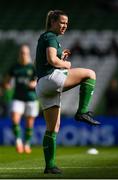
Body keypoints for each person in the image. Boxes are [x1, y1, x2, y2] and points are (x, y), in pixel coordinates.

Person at [35, 10, 100, 174]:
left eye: (66, 23)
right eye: (62, 22)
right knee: (90, 74)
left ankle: (50, 166)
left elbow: (45, 61)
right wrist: (66, 64)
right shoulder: (51, 36)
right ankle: (82, 112)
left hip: (42, 85)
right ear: (53, 22)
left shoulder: (46, 38)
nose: (64, 26)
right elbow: (51, 60)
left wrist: (60, 58)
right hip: (51, 80)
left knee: (52, 128)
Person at [4, 44, 39, 154]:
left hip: (31, 98)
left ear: (28, 54)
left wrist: (34, 83)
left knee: (29, 123)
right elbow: (7, 80)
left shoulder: (32, 67)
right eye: (22, 53)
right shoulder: (15, 67)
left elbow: (39, 80)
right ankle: (18, 142)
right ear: (19, 54)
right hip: (17, 97)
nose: (24, 55)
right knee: (15, 118)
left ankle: (27, 144)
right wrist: (7, 85)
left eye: (26, 53)